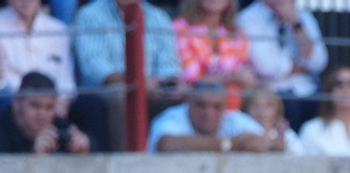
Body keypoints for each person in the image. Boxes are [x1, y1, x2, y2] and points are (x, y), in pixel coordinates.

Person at [73, 0, 184, 148]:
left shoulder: (159, 16)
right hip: (108, 89)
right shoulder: (90, 15)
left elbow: (170, 66)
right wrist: (138, 82)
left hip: (153, 87)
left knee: (188, 95)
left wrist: (162, 85)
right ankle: (126, 157)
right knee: (121, 96)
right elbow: (94, 68)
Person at [237, 0, 327, 126]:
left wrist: (296, 24)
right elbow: (267, 68)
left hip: (307, 92)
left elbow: (319, 62)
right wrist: (303, 67)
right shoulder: (248, 18)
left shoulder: (302, 15)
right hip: (273, 95)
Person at [149, 78, 277, 151]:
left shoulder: (233, 119)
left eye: (216, 107)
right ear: (189, 103)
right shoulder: (171, 117)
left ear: (225, 107)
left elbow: (274, 142)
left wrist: (264, 143)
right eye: (201, 105)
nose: (208, 112)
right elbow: (166, 144)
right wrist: (229, 144)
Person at [173, 0, 254, 108]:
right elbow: (190, 76)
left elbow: (244, 73)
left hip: (232, 105)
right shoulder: (180, 28)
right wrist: (229, 78)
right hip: (190, 104)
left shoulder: (237, 32)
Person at [0, 72, 90, 153]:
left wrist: (84, 145)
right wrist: (35, 155)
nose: (42, 114)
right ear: (17, 102)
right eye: (35, 105)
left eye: (49, 107)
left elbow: (93, 147)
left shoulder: (59, 126)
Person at [242, 83, 303, 152]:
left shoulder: (288, 135)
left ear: (277, 109)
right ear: (246, 108)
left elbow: (300, 155)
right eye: (255, 106)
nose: (262, 111)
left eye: (268, 106)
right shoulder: (241, 134)